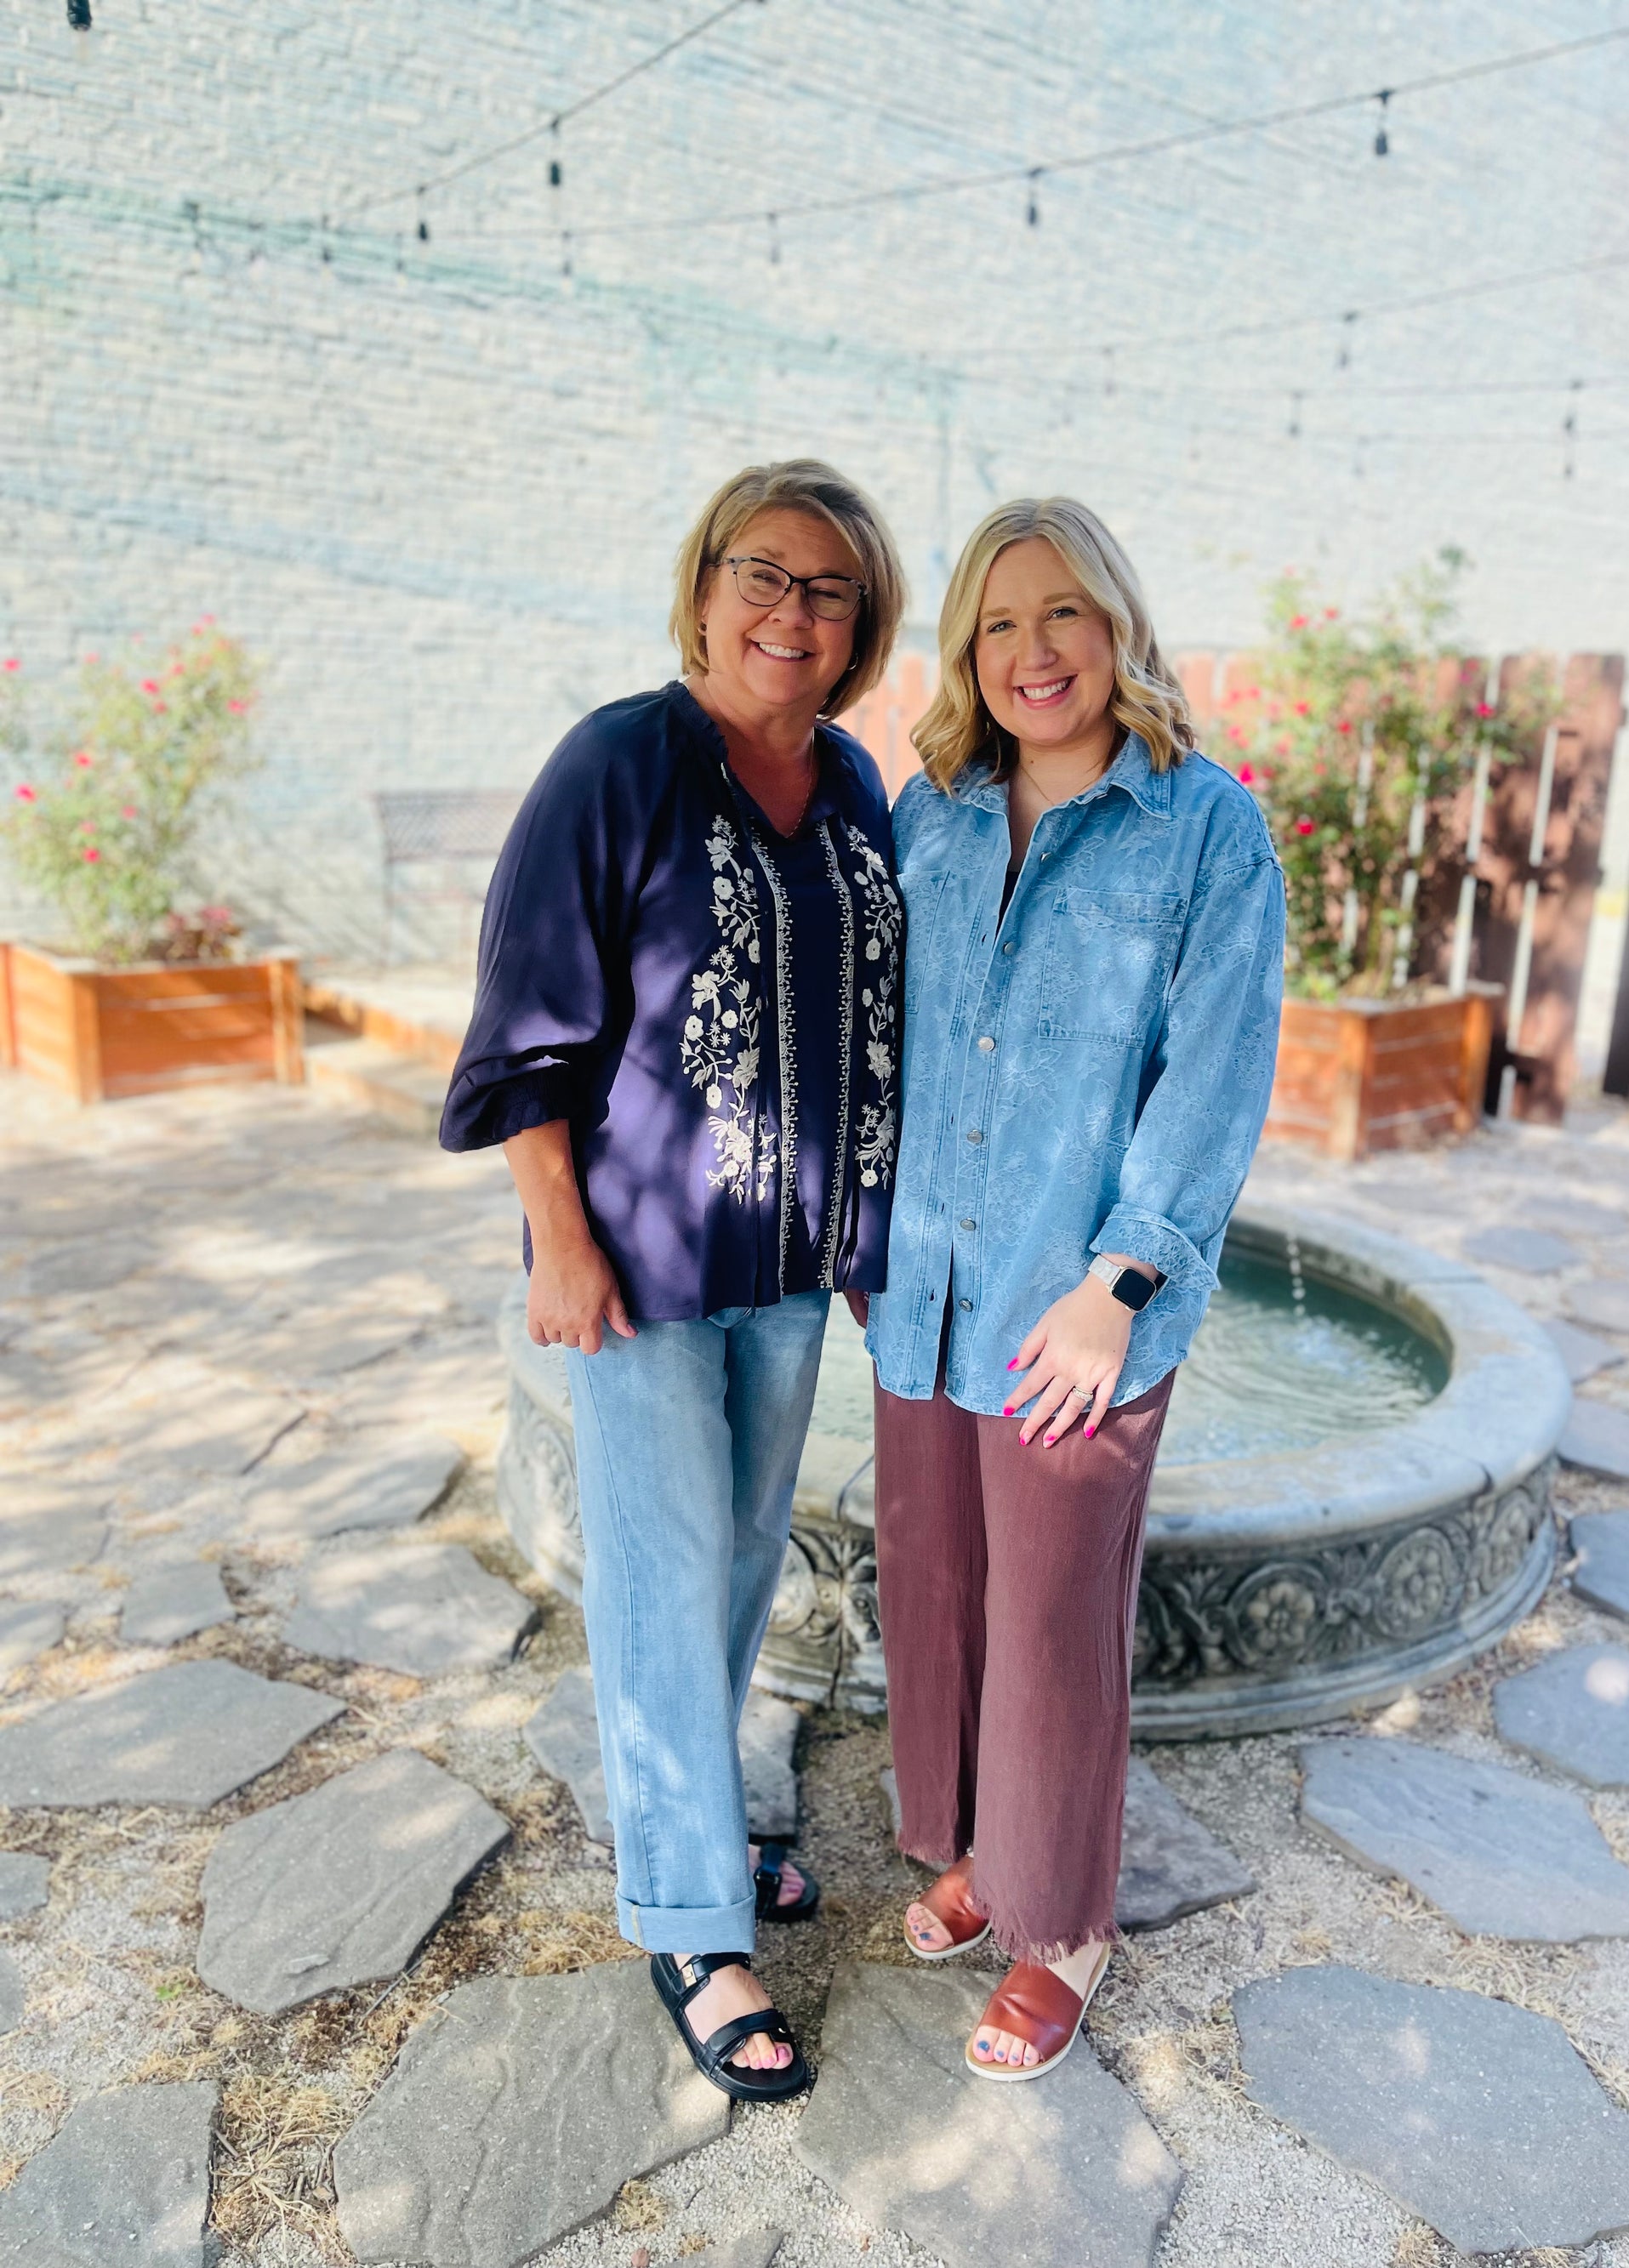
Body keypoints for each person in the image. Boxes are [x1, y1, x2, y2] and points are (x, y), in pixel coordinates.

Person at [441, 460, 907, 2101]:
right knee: (654, 1574)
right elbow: (527, 1020)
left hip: (780, 1265)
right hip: (636, 1265)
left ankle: (691, 1833)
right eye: (764, 575)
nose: (793, 611)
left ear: (864, 623)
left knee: (728, 1565)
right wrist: (557, 1238)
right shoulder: (618, 762)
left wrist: (863, 1230)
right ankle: (695, 1923)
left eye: (830, 589)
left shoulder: (853, 780)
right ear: (706, 586)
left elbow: (866, 1028)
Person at [867, 497, 1284, 2080]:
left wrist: (1122, 1280)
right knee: (945, 1590)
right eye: (999, 623)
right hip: (931, 1286)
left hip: (1079, 1301)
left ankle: (1065, 1930)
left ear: (1116, 624)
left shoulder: (1202, 825)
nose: (1034, 651)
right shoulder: (937, 811)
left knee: (1049, 1619)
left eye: (1064, 615)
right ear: (969, 650)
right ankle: (990, 1853)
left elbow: (1215, 1073)